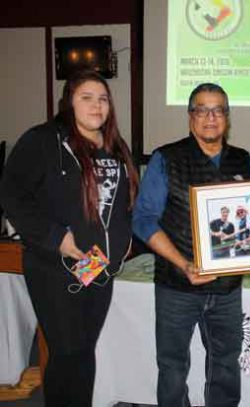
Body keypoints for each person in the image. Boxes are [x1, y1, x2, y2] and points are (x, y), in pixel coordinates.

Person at [0, 70, 138, 406]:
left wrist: (126, 240)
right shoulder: (43, 140)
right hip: (55, 267)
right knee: (65, 352)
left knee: (84, 350)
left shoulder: (114, 145)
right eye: (86, 98)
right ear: (68, 102)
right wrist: (56, 237)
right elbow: (12, 195)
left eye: (103, 99)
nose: (97, 106)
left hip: (98, 267)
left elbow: (124, 202)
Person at [132, 83, 250, 407]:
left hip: (228, 289)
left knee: (227, 364)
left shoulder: (243, 160)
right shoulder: (166, 158)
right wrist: (183, 263)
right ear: (191, 117)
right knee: (173, 368)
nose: (210, 117)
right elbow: (144, 220)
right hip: (177, 286)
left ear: (227, 118)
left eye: (218, 110)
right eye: (202, 109)